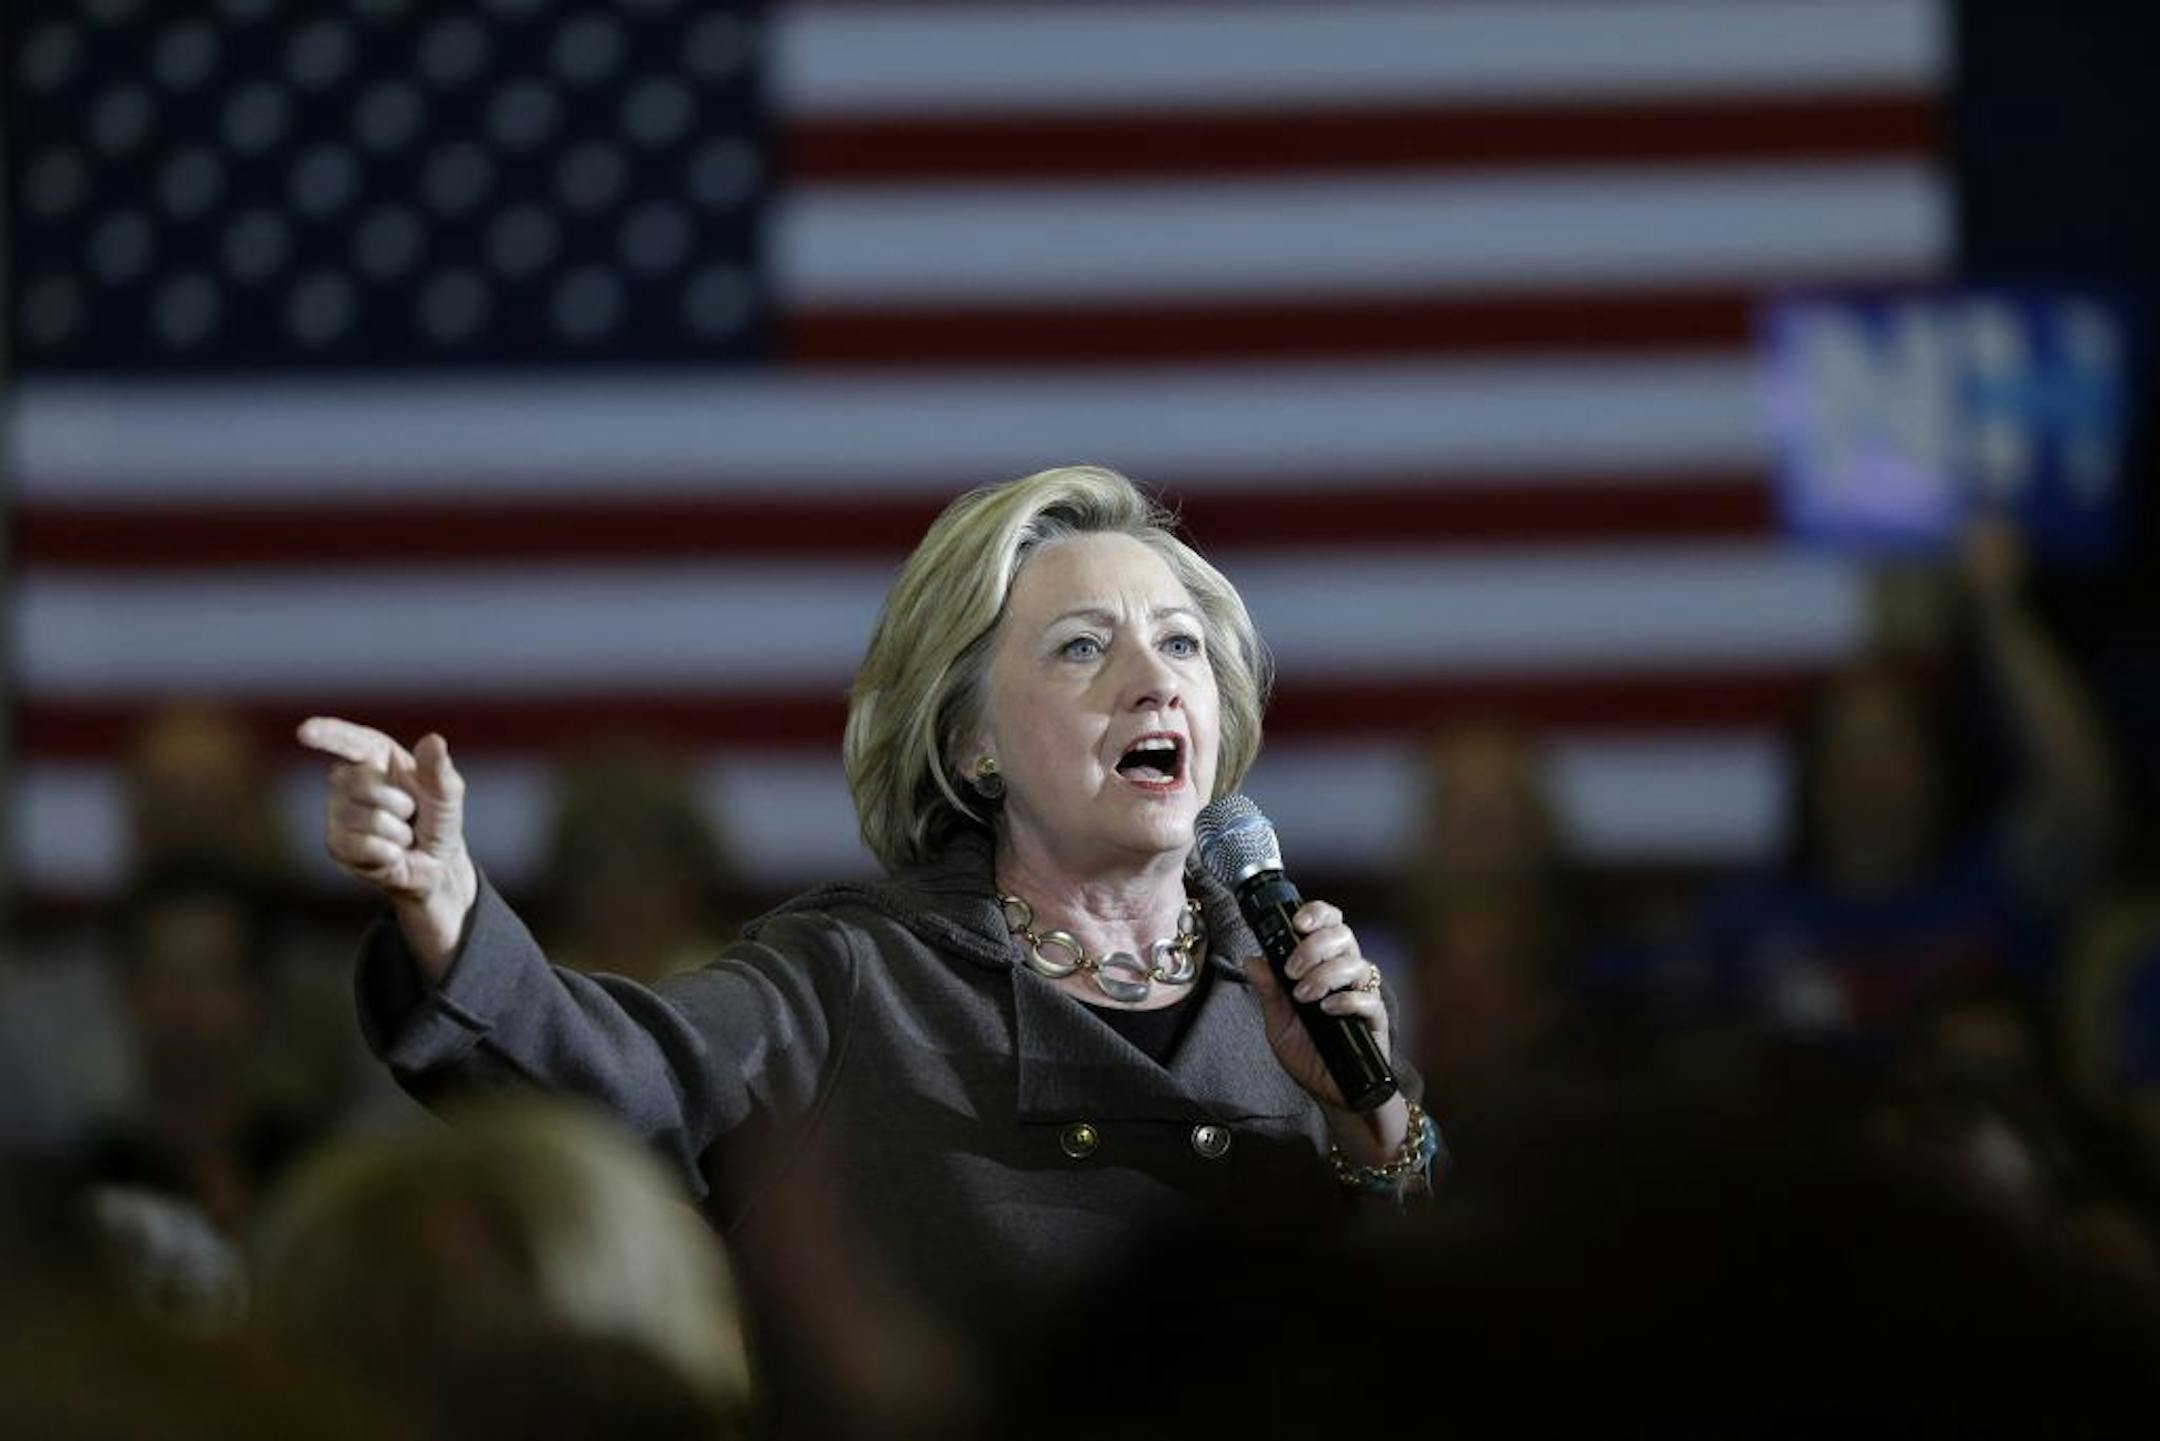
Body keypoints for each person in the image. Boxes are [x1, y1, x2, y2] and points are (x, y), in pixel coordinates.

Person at [297, 466, 1432, 1421]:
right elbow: (611, 1071)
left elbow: (1447, 1336)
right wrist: (448, 908)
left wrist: (1368, 1120)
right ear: (973, 741)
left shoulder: (1291, 987)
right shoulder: (855, 975)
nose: (1154, 681)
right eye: (1086, 649)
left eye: (1181, 645)